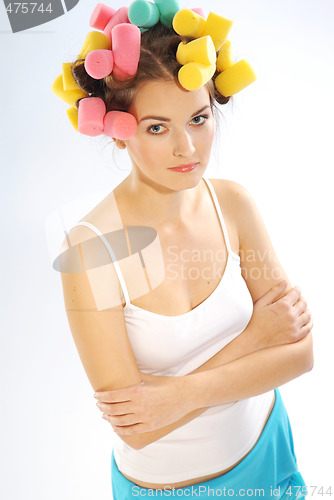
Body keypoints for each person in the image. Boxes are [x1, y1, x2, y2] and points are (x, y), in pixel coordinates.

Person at [54, 2, 314, 498]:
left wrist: (172, 397)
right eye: (157, 127)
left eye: (199, 118)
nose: (188, 149)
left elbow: (300, 354)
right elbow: (138, 427)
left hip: (270, 452)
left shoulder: (233, 204)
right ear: (117, 129)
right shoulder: (91, 252)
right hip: (166, 488)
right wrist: (256, 339)